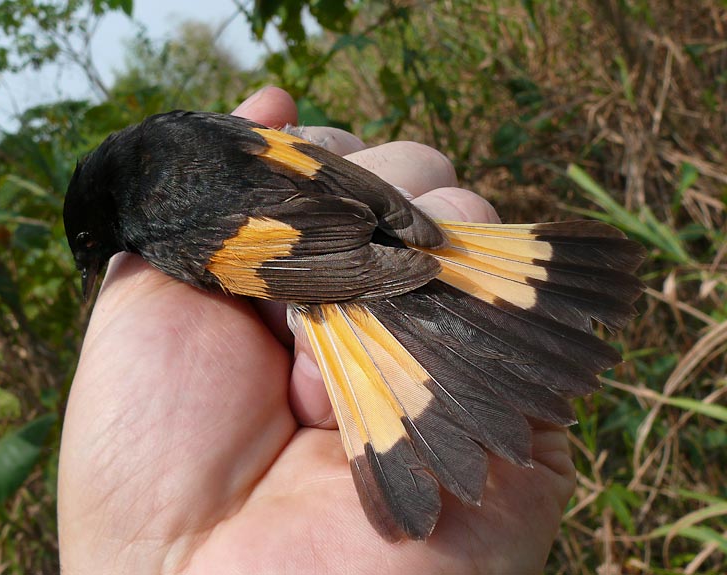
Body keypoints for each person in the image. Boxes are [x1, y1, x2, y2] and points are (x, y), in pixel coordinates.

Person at [58, 87, 575, 574]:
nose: (93, 263)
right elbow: (295, 162)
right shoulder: (175, 131)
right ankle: (517, 276)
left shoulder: (149, 216)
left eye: (87, 245)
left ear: (96, 210)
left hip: (312, 260)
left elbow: (261, 254)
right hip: (331, 206)